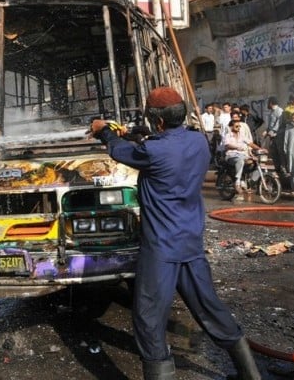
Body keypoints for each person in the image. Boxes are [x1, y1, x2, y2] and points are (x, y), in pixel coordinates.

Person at [89, 87, 261, 380]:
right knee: (209, 309)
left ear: (157, 122)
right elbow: (162, 145)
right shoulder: (198, 141)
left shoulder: (153, 150)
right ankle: (251, 374)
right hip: (191, 243)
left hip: (161, 250)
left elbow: (119, 151)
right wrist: (139, 133)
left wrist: (105, 131)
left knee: (148, 318)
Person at [223, 119, 261, 199]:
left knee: (256, 162)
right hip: (231, 156)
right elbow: (227, 145)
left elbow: (250, 143)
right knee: (240, 160)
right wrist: (237, 147)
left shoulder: (242, 135)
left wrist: (260, 149)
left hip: (243, 156)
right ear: (231, 127)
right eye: (236, 126)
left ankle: (249, 182)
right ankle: (237, 183)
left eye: (239, 126)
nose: (238, 128)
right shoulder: (228, 135)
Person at [261, 96, 284, 175]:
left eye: (268, 103)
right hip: (272, 136)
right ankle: (277, 169)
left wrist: (271, 131)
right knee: (274, 153)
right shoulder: (271, 112)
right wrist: (266, 130)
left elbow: (278, 124)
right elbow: (270, 124)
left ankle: (283, 169)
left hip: (278, 136)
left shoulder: (279, 111)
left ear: (271, 103)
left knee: (280, 153)